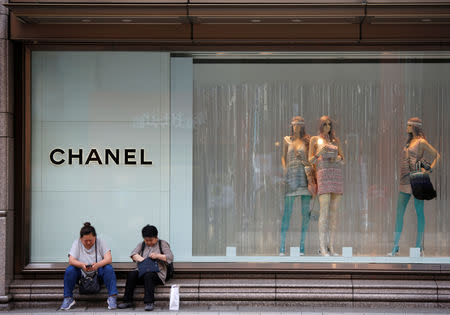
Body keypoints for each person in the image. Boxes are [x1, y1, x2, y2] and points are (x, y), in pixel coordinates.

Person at [388, 117, 440, 256]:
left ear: (415, 127)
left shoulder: (421, 142)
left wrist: (428, 169)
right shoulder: (409, 142)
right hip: (405, 179)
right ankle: (395, 246)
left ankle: (418, 246)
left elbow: (437, 155)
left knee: (419, 212)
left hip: (417, 178)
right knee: (399, 212)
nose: (407, 127)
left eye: (409, 125)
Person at [60, 222, 118, 310]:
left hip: (98, 273)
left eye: (91, 240)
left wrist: (98, 265)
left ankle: (112, 297)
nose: (88, 242)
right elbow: (71, 260)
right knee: (70, 270)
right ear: (80, 239)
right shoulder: (77, 243)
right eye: (85, 240)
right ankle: (68, 298)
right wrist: (81, 265)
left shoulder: (100, 242)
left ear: (95, 237)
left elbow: (109, 258)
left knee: (108, 268)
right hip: (81, 275)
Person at [308, 116, 344, 256]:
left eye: (329, 124)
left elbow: (343, 159)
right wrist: (319, 154)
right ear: (320, 125)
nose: (327, 127)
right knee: (323, 211)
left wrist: (338, 158)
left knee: (334, 214)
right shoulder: (314, 140)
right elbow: (310, 160)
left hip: (336, 174)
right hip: (323, 175)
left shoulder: (336, 140)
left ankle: (331, 246)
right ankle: (322, 247)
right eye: (324, 124)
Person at [118, 225, 174, 311]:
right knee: (132, 274)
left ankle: (149, 302)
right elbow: (133, 254)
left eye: (151, 240)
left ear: (156, 237)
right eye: (146, 240)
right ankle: (127, 301)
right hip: (142, 271)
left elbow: (170, 257)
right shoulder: (142, 244)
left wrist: (157, 256)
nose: (148, 242)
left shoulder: (162, 243)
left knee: (149, 275)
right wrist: (143, 260)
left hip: (157, 274)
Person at [279, 116, 313, 256]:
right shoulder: (287, 140)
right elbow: (283, 157)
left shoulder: (307, 141)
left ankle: (302, 246)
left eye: (298, 125)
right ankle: (281, 246)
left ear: (302, 126)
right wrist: (284, 169)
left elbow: (310, 159)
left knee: (305, 214)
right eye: (293, 124)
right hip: (291, 178)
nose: (295, 127)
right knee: (287, 213)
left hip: (304, 177)